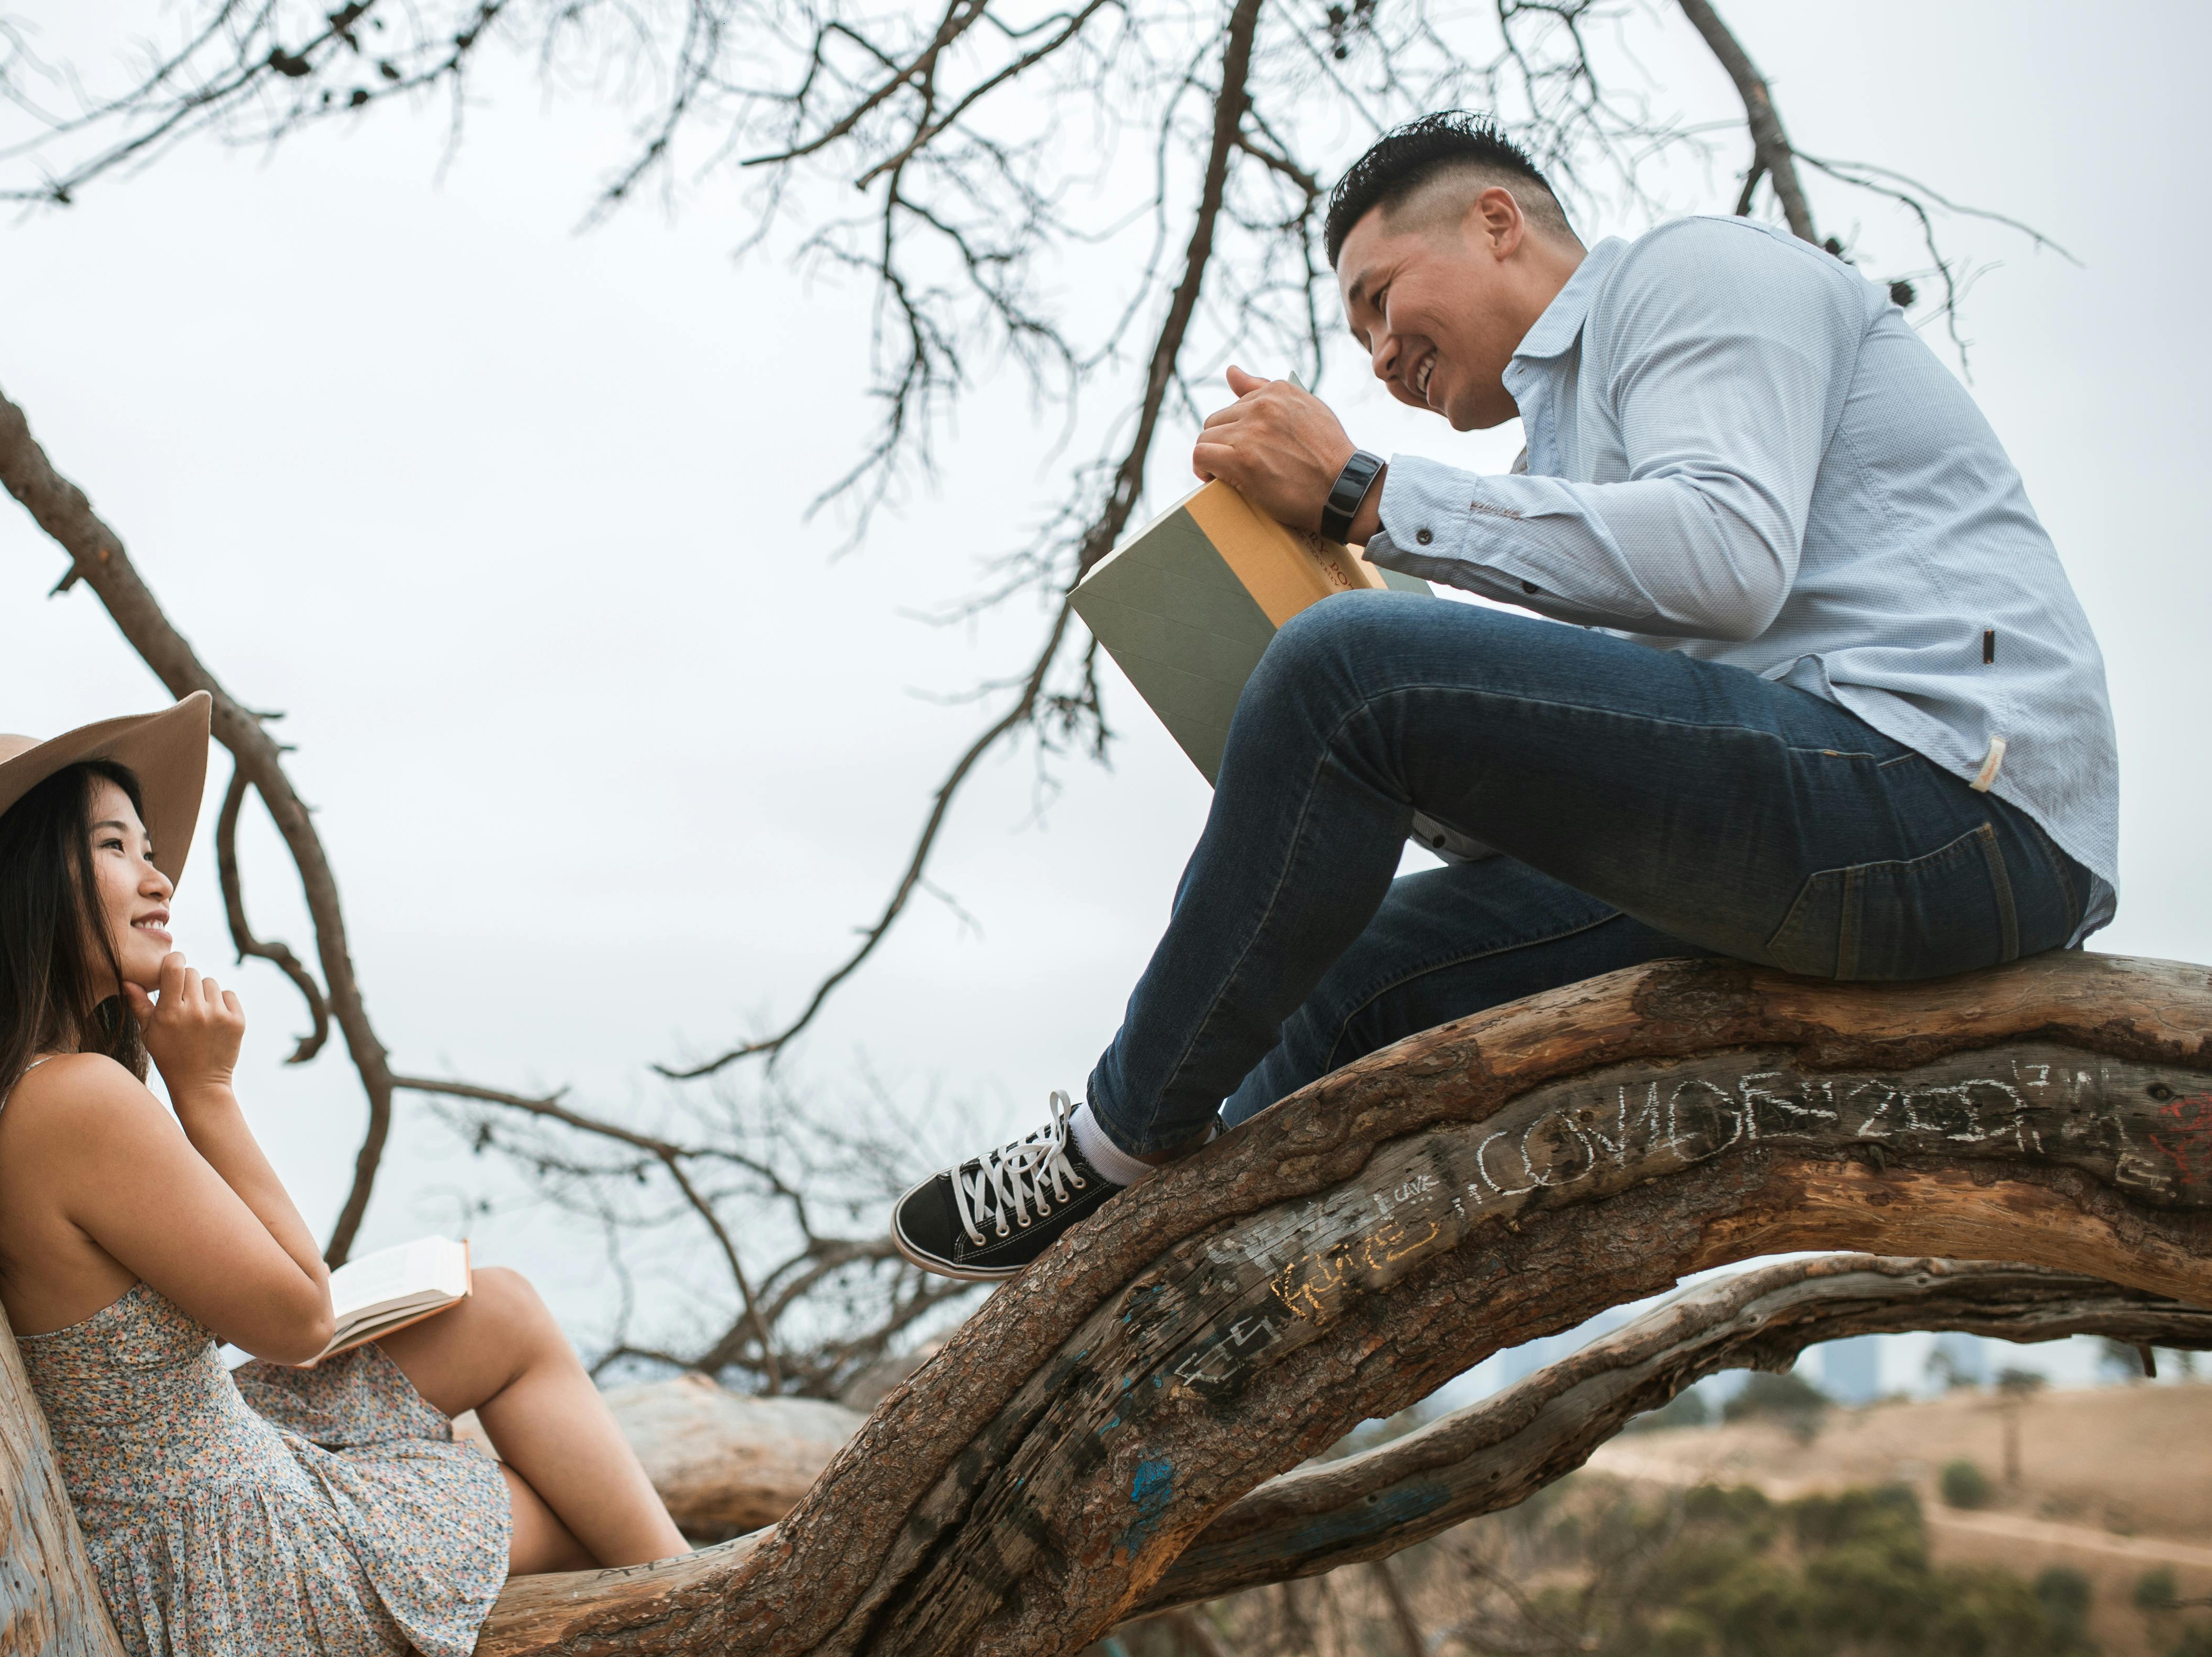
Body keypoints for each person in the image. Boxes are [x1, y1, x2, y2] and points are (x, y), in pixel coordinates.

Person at [891, 111, 2116, 1282]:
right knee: (1358, 969)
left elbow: (1728, 557)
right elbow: (1639, 739)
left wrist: (1363, 496)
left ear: (1493, 222)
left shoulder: (1694, 272)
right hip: (1810, 834)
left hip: (1949, 803)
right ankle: (1155, 1281)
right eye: (1359, 332)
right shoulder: (1561, 467)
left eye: (1380, 296)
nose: (1376, 354)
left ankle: (1109, 1142)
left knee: (1351, 663)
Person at [0, 691, 688, 1657]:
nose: (159, 879)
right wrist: (207, 1088)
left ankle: (694, 1596)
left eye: (151, 850)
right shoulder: (75, 1102)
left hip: (185, 1490)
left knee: (497, 1310)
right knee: (527, 1487)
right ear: (18, 884)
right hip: (221, 1572)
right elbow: (299, 1311)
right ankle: (717, 1629)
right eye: (113, 848)